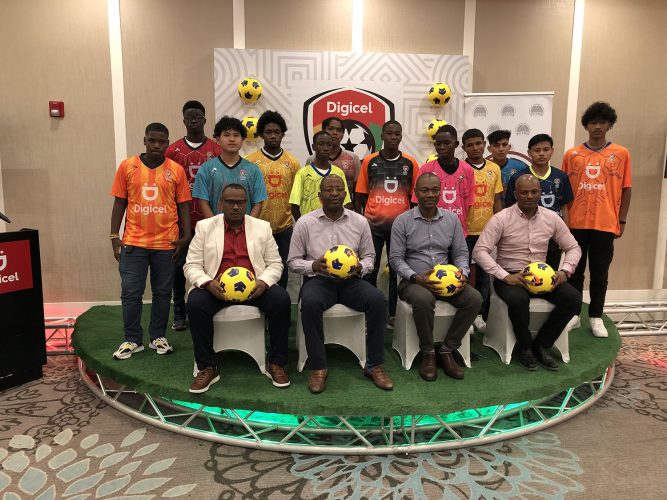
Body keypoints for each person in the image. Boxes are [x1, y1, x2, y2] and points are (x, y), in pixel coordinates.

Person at [287, 174, 393, 394]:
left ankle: (374, 365)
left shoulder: (360, 221)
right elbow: (293, 262)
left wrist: (360, 268)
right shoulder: (305, 223)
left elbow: (370, 258)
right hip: (319, 281)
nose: (334, 193)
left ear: (346, 194)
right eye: (329, 190)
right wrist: (313, 266)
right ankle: (318, 366)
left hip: (351, 282)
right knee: (310, 303)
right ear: (320, 195)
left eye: (338, 189)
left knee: (377, 301)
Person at [183, 184, 291, 393]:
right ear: (221, 203)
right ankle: (207, 366)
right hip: (217, 288)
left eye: (240, 202)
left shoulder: (262, 227)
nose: (235, 207)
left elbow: (276, 263)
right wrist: (207, 283)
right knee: (196, 303)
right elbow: (192, 265)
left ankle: (276, 362)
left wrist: (264, 282)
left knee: (281, 300)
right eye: (230, 202)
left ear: (246, 204)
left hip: (253, 289)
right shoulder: (205, 227)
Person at [473, 175, 582, 371]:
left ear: (540, 193)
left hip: (544, 277)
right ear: (515, 194)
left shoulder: (552, 218)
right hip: (511, 276)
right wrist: (504, 276)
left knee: (573, 298)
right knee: (518, 300)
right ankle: (524, 348)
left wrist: (565, 271)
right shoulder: (501, 218)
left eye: (534, 192)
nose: (529, 196)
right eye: (524, 192)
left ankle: (541, 345)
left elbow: (573, 247)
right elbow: (480, 251)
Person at [109, 123, 192, 360]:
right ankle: (132, 339)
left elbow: (184, 204)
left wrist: (185, 236)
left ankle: (158, 337)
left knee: (163, 292)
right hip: (134, 242)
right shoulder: (128, 166)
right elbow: (119, 203)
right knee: (130, 292)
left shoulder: (175, 170)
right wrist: (114, 236)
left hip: (166, 243)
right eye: (152, 140)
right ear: (144, 140)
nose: (157, 145)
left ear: (168, 143)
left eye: (162, 141)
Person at [390, 173, 482, 381]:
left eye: (434, 190)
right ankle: (428, 352)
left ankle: (448, 349)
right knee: (423, 299)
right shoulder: (402, 221)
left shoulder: (451, 219)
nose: (430, 194)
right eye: (425, 190)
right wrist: (416, 277)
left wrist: (462, 273)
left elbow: (460, 253)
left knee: (474, 298)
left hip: (447, 282)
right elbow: (396, 259)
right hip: (413, 282)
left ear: (440, 192)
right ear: (416, 192)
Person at [562, 102, 632, 338]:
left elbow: (626, 189)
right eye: (593, 122)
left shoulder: (621, 154)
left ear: (610, 124)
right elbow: (564, 191)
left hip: (605, 223)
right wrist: (565, 222)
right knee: (574, 271)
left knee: (600, 273)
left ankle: (595, 316)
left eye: (603, 122)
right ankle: (573, 315)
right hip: (576, 224)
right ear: (586, 125)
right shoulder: (572, 155)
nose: (598, 127)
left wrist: (621, 221)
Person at [355, 120, 419, 326]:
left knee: (395, 271)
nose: (393, 137)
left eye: (397, 134)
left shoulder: (410, 163)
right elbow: (360, 194)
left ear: (401, 136)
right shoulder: (369, 161)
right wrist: (362, 220)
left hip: (400, 228)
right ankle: (367, 313)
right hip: (372, 226)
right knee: (369, 269)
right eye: (389, 133)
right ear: (382, 136)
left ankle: (392, 315)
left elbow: (414, 198)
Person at [165, 100, 222, 331]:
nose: (194, 120)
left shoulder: (216, 150)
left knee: (213, 266)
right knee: (179, 268)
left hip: (211, 218)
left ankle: (214, 308)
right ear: (183, 120)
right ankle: (179, 311)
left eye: (198, 116)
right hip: (181, 220)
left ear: (205, 120)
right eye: (189, 117)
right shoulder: (173, 151)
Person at [245, 111, 301, 288]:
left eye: (277, 132)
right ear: (261, 134)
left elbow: (295, 197)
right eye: (268, 132)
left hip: (284, 227)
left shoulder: (292, 162)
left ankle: (281, 307)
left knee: (282, 268)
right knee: (257, 267)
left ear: (283, 133)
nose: (273, 136)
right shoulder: (250, 161)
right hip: (258, 225)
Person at [504, 134, 574, 271]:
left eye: (546, 149)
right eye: (537, 150)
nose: (541, 154)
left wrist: (565, 235)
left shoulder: (561, 177)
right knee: (527, 276)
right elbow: (510, 209)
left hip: (553, 236)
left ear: (552, 151)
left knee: (549, 276)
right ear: (529, 153)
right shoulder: (518, 178)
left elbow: (565, 207)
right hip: (525, 237)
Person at [461, 128, 503, 332]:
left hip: (487, 232)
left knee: (485, 276)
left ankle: (480, 315)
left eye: (478, 143)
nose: (475, 148)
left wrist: (499, 226)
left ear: (484, 144)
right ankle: (465, 315)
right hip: (464, 232)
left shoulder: (494, 169)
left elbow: (497, 200)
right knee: (464, 274)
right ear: (463, 148)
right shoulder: (460, 168)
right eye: (470, 145)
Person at [193, 116, 267, 218]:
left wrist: (247, 228)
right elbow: (203, 202)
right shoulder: (205, 169)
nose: (232, 139)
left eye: (236, 135)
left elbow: (258, 203)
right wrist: (216, 227)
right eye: (227, 135)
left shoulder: (253, 170)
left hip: (245, 230)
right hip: (216, 229)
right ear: (218, 139)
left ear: (242, 139)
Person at [413, 125, 475, 237]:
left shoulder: (467, 170)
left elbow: (469, 203)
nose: (442, 147)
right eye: (438, 143)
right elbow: (416, 202)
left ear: (456, 144)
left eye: (447, 143)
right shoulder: (426, 169)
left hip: (459, 232)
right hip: (432, 233)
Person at [289, 131, 351, 220]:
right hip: (310, 224)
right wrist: (302, 223)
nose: (325, 148)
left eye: (329, 145)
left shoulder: (338, 173)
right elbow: (294, 205)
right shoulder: (302, 173)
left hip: (332, 224)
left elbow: (345, 202)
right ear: (314, 147)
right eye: (321, 144)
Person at [306, 116, 361, 200]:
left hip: (346, 209)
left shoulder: (353, 158)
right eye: (331, 129)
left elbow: (358, 190)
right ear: (323, 131)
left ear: (343, 135)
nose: (335, 133)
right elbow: (307, 188)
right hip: (317, 209)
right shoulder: (312, 160)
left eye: (339, 130)